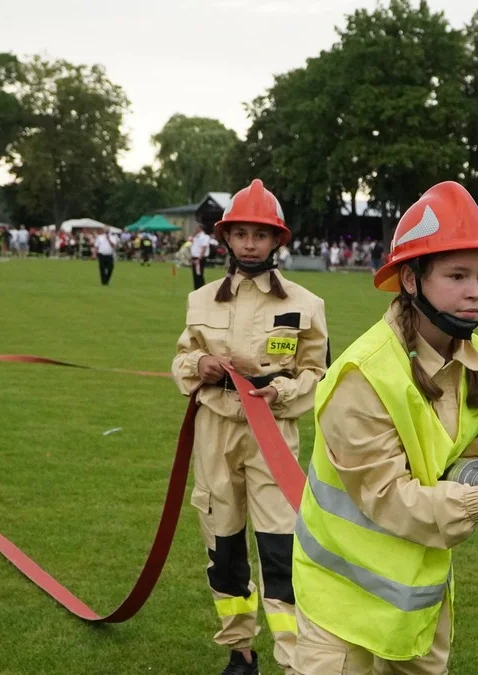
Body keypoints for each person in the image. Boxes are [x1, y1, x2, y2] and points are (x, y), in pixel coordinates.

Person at [291, 181, 478, 674]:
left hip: (418, 600)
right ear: (410, 280)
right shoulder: (361, 374)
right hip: (339, 607)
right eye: (456, 275)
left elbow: (476, 453)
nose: (476, 292)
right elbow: (386, 496)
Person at [172, 179, 330, 675]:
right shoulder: (201, 300)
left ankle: (294, 660)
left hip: (273, 435)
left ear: (277, 240)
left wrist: (281, 393)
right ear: (227, 238)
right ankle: (240, 652)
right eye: (240, 234)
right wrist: (199, 364)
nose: (249, 243)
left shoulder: (307, 304)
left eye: (260, 235)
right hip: (215, 431)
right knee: (224, 548)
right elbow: (180, 358)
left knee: (280, 549)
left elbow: (316, 373)